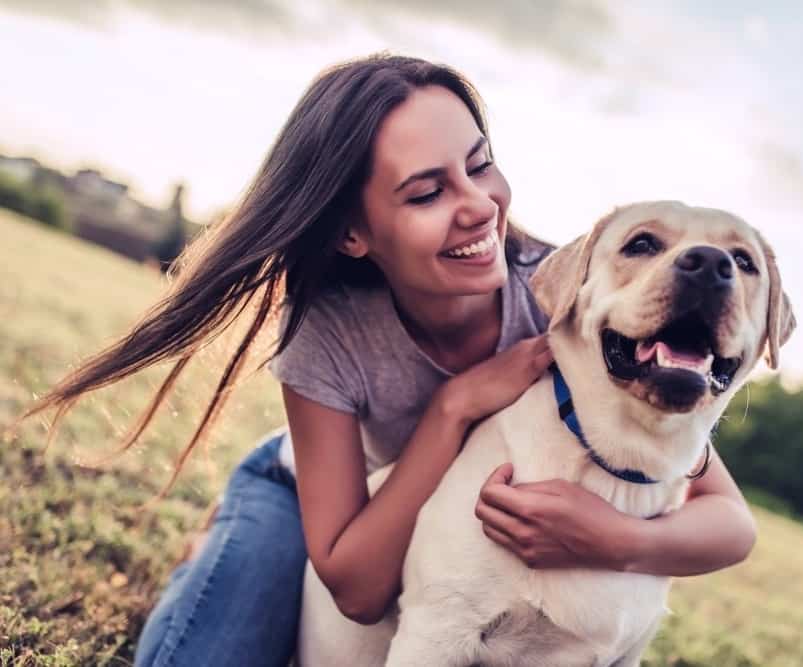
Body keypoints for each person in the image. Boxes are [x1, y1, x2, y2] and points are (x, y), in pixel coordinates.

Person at [21, 54, 757, 666]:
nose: (478, 207)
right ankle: (215, 546)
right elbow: (360, 587)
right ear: (353, 232)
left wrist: (616, 538)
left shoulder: (569, 299)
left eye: (480, 166)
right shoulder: (327, 332)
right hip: (308, 499)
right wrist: (454, 405)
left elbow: (726, 516)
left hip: (431, 535)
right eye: (428, 191)